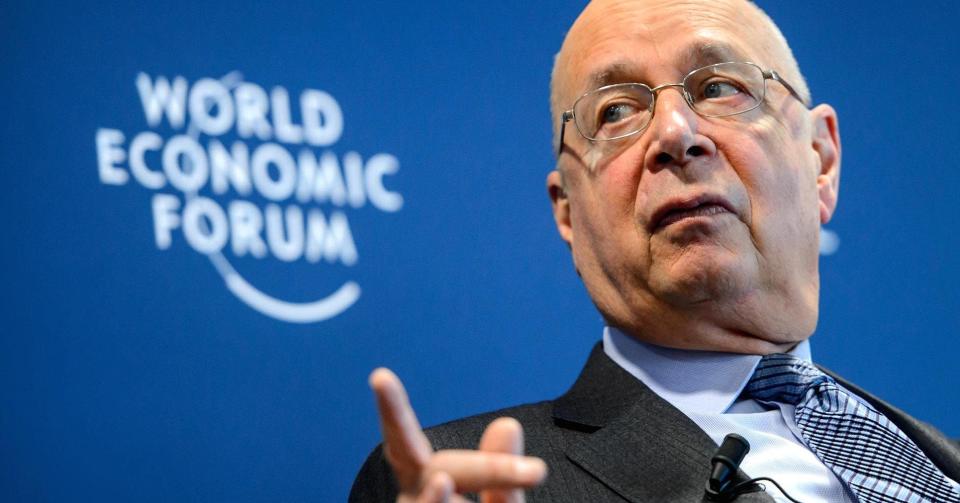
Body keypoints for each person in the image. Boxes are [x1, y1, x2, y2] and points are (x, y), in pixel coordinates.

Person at [350, 0, 960, 501]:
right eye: (616, 111)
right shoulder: (466, 481)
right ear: (568, 211)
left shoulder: (933, 459)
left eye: (719, 87)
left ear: (821, 161)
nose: (673, 133)